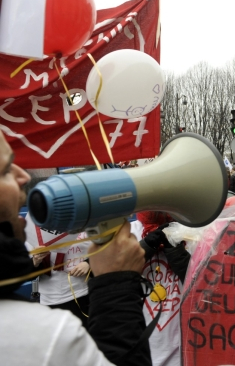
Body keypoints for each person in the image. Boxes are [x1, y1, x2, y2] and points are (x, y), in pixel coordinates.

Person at [0, 131, 151, 365]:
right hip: (56, 296)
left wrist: (89, 263)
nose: (24, 176)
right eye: (6, 169)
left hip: (81, 292)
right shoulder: (50, 335)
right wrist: (117, 287)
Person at [134, 211, 191, 366]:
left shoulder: (192, 231)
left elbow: (200, 280)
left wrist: (175, 251)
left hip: (180, 339)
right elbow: (116, 272)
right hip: (142, 336)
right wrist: (147, 245)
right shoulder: (130, 230)